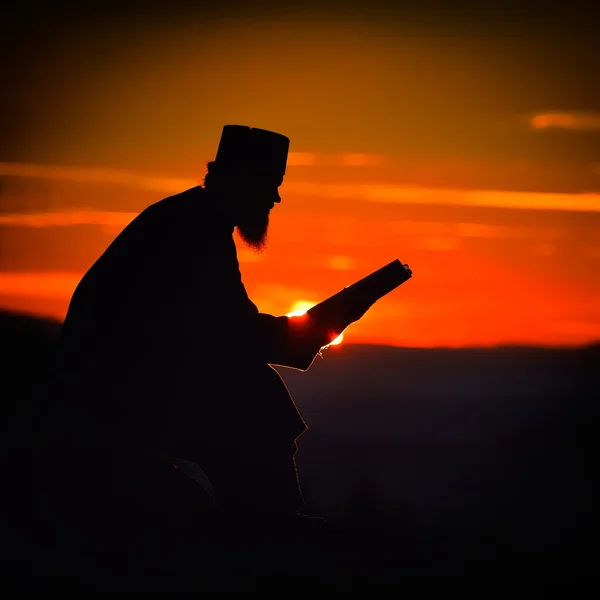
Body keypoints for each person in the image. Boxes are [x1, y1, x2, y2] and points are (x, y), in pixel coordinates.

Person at [5, 126, 368, 587]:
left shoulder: (192, 221)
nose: (276, 199)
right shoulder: (195, 231)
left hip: (127, 389)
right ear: (244, 182)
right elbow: (236, 334)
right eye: (270, 185)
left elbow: (225, 331)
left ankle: (270, 521)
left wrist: (310, 332)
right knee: (254, 397)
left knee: (253, 391)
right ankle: (271, 525)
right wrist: (322, 326)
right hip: (110, 401)